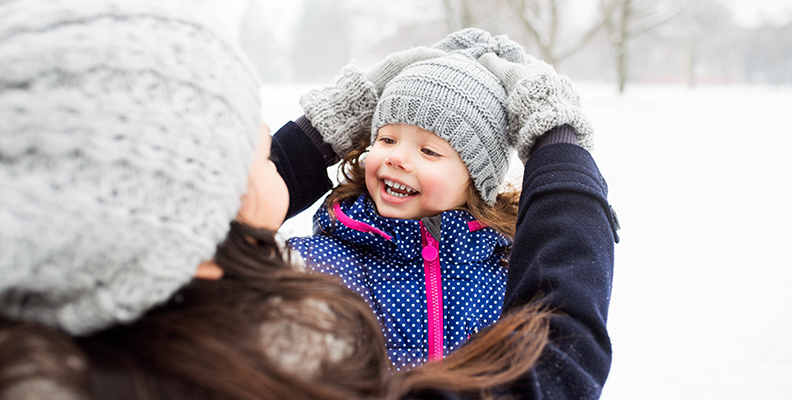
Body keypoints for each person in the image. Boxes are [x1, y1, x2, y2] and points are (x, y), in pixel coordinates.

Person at [0, 2, 618, 400]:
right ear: (196, 244)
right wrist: (560, 148)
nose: (274, 141)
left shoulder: (103, 346)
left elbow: (200, 207)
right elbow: (557, 362)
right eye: (246, 143)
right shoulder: (306, 358)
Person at [286, 28, 597, 370]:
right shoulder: (326, 262)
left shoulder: (509, 271)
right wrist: (335, 117)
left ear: (477, 180)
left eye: (429, 151)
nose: (397, 158)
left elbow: (561, 353)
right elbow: (228, 220)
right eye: (387, 139)